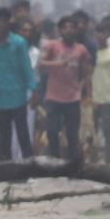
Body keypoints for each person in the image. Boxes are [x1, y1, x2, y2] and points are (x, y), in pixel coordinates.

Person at [39, 15, 91, 161]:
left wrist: (87, 94)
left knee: (73, 135)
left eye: (71, 27)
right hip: (53, 97)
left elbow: (87, 74)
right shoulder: (52, 46)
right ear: (60, 30)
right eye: (65, 27)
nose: (68, 30)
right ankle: (55, 161)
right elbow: (40, 64)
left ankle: (72, 163)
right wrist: (57, 64)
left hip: (73, 97)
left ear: (76, 30)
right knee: (52, 132)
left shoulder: (81, 50)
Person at [0, 6, 36, 161]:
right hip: (0, 98)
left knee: (22, 132)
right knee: (4, 135)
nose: (1, 24)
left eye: (4, 21)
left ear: (9, 23)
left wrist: (33, 90)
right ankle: (7, 168)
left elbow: (26, 67)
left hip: (17, 96)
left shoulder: (19, 43)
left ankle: (30, 166)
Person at [91, 21, 110, 163]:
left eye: (103, 32)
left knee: (108, 131)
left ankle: (109, 160)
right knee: (92, 131)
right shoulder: (91, 53)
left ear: (108, 34)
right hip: (93, 97)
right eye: (98, 32)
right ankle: (92, 159)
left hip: (108, 97)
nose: (100, 35)